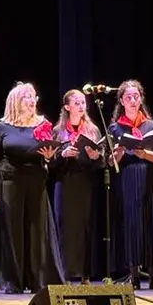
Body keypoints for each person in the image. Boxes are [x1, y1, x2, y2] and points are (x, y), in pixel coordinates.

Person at [0, 82, 61, 294]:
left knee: (36, 231)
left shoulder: (43, 124)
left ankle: (36, 279)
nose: (31, 100)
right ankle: (14, 281)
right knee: (13, 233)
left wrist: (50, 158)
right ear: (15, 102)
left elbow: (51, 161)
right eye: (26, 97)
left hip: (36, 182)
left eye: (33, 96)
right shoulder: (3, 127)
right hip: (10, 182)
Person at [108, 80, 153, 289]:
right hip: (127, 177)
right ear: (122, 101)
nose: (133, 101)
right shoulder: (116, 128)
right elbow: (110, 162)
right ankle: (133, 275)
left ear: (141, 99)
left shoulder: (152, 126)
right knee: (132, 224)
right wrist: (117, 153)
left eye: (136, 97)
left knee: (152, 222)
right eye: (128, 97)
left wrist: (145, 153)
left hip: (149, 176)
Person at [53, 89, 104, 284]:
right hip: (64, 183)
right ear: (67, 107)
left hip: (85, 183)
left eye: (83, 102)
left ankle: (85, 274)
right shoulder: (58, 131)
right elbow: (49, 163)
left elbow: (101, 162)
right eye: (77, 103)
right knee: (65, 227)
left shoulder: (92, 129)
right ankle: (64, 273)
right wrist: (62, 155)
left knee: (85, 227)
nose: (81, 106)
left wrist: (95, 156)